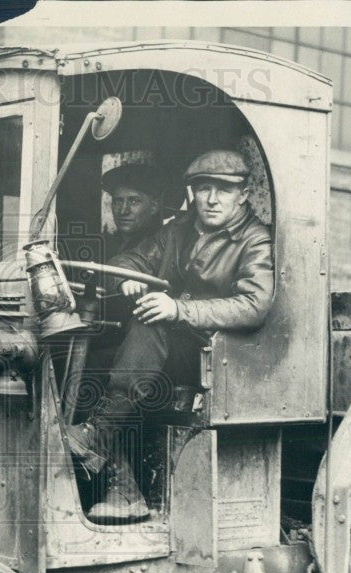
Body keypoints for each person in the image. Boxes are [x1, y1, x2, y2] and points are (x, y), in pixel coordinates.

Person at [68, 149, 275, 522]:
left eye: (223, 190)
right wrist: (128, 276)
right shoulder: (180, 228)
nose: (211, 199)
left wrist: (179, 308)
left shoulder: (254, 239)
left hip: (217, 356)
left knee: (152, 320)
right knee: (85, 363)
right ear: (192, 192)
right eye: (202, 188)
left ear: (243, 194)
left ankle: (97, 434)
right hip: (174, 348)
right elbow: (130, 259)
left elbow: (254, 304)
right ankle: (125, 490)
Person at [101, 163, 164, 260]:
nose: (123, 211)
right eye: (118, 201)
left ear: (154, 207)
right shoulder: (106, 246)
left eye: (134, 201)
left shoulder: (161, 247)